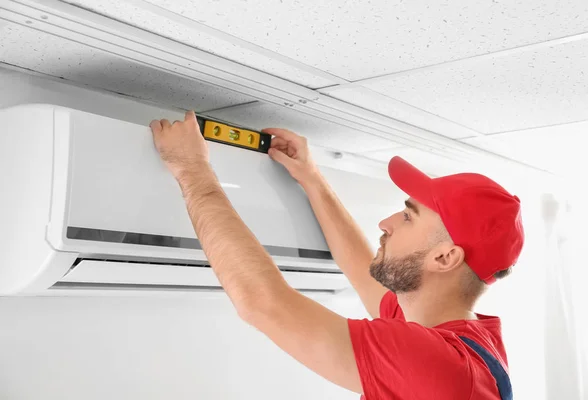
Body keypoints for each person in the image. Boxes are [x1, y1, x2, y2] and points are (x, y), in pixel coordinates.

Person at [150, 111, 524, 400]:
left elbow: (262, 303)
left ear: (445, 258)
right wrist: (311, 177)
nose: (386, 222)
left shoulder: (440, 365)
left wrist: (191, 170)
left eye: (409, 216)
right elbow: (362, 268)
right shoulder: (457, 337)